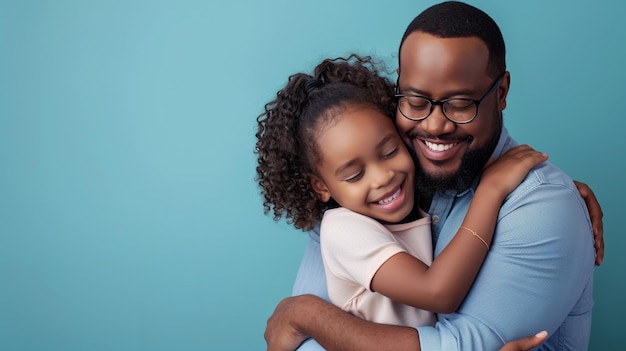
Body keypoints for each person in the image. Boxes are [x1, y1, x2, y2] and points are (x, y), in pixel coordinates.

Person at [264, 2, 604, 350]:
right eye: (415, 100)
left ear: (500, 93)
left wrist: (304, 315)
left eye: (459, 104)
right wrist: (306, 316)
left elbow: (458, 343)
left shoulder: (539, 210)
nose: (434, 125)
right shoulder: (366, 190)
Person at [255, 55, 547, 329]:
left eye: (390, 151)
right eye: (355, 175)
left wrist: (559, 191)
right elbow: (438, 293)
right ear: (320, 187)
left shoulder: (414, 197)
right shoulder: (343, 230)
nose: (384, 177)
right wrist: (492, 190)